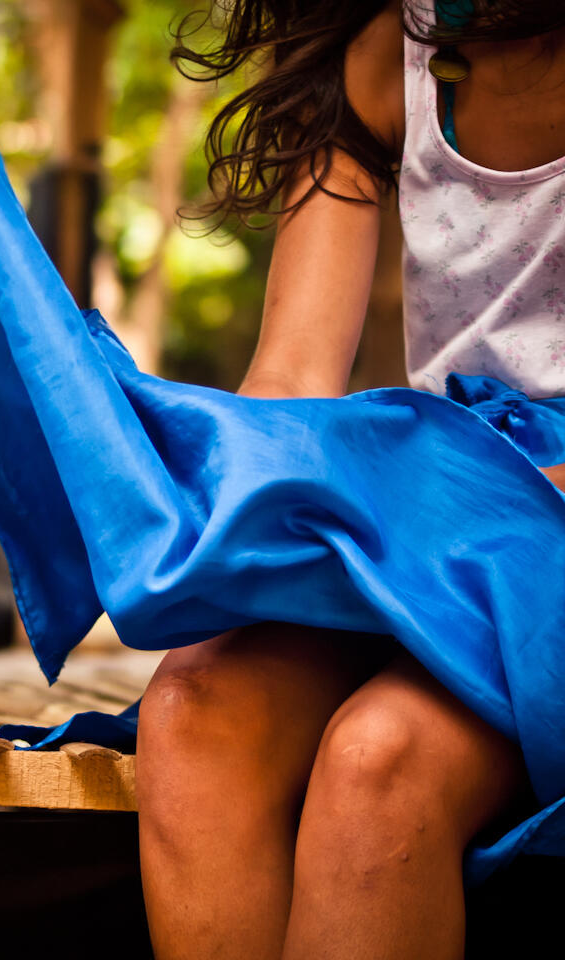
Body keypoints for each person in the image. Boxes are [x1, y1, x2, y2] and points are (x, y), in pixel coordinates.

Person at [135, 2, 565, 958]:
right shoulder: (387, 57)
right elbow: (288, 383)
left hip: (509, 529)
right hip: (452, 520)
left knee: (380, 759)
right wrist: (192, 496)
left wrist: (446, 509)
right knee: (193, 710)